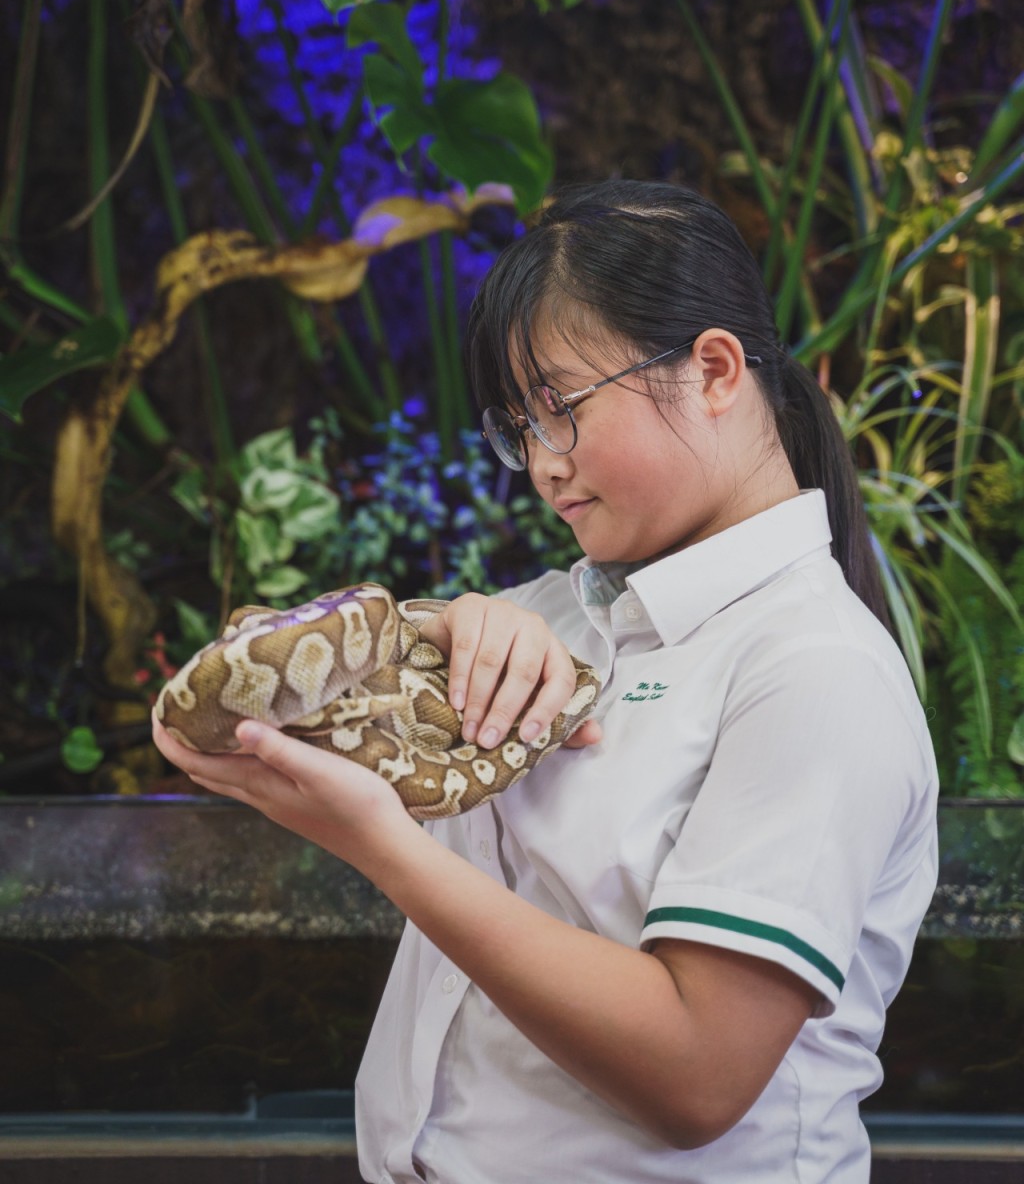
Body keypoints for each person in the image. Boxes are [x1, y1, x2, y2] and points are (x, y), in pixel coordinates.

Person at [153, 180, 939, 1183]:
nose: (539, 463)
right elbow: (203, 709)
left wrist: (386, 848)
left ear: (712, 370)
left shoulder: (814, 669)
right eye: (518, 425)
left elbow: (696, 1075)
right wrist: (436, 622)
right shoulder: (559, 610)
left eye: (559, 408)